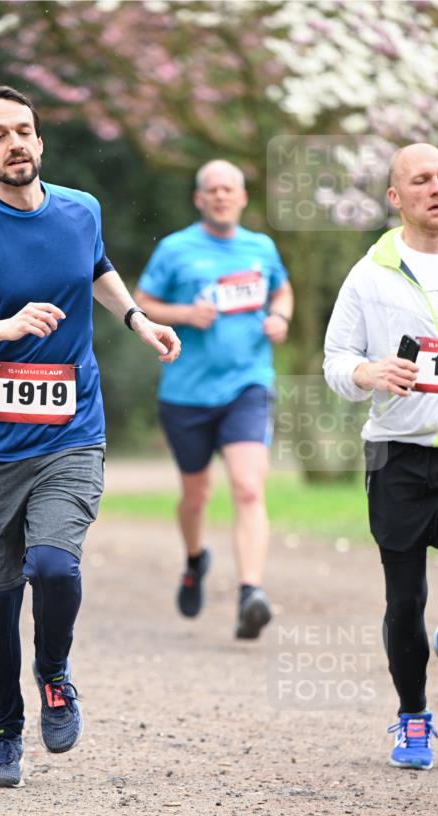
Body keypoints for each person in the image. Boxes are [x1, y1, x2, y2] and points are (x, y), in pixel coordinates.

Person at [0, 84, 180, 786]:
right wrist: (2, 327)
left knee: (53, 566)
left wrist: (137, 320)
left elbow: (96, 267)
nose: (15, 142)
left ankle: (53, 670)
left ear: (39, 140)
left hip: (70, 433)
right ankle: (4, 730)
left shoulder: (79, 209)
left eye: (24, 130)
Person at [324, 142, 438, 770]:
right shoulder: (370, 271)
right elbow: (335, 360)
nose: (437, 188)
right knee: (403, 601)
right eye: (422, 180)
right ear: (395, 197)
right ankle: (412, 718)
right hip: (397, 457)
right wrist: (368, 372)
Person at [134, 160, 293, 638]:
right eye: (213, 190)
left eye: (231, 189)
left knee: (248, 486)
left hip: (247, 384)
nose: (222, 196)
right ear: (200, 199)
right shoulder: (176, 249)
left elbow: (281, 290)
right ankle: (195, 559)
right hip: (186, 393)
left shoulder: (260, 247)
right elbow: (140, 302)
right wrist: (183, 312)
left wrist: (280, 319)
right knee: (196, 495)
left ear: (243, 197)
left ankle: (251, 592)